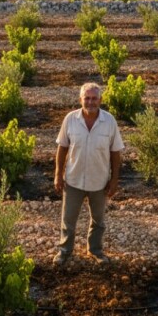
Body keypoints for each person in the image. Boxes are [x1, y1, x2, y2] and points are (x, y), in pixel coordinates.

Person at [53, 82, 124, 265]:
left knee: (98, 220)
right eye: (87, 98)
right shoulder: (70, 119)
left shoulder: (109, 122)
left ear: (100, 100)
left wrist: (114, 180)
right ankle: (64, 251)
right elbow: (62, 148)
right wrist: (58, 174)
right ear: (80, 100)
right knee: (68, 219)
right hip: (73, 179)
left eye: (94, 98)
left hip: (99, 181)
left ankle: (95, 250)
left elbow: (115, 153)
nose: (90, 102)